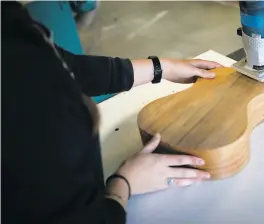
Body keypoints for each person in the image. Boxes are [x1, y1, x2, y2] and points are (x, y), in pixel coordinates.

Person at [2, 2, 222, 223]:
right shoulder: (26, 119)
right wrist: (123, 184)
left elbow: (65, 67)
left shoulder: (9, 20)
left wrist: (161, 67)